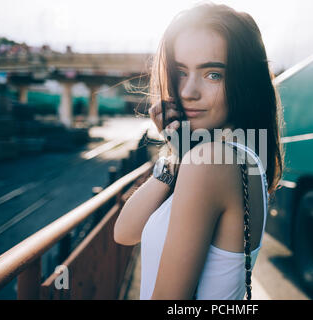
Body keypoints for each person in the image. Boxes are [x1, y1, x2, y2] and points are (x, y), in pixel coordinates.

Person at [114, 2, 284, 300]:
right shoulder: (236, 156)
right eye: (180, 72)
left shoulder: (209, 163)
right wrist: (177, 154)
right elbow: (125, 232)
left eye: (212, 74)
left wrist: (189, 156)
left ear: (244, 83)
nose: (188, 92)